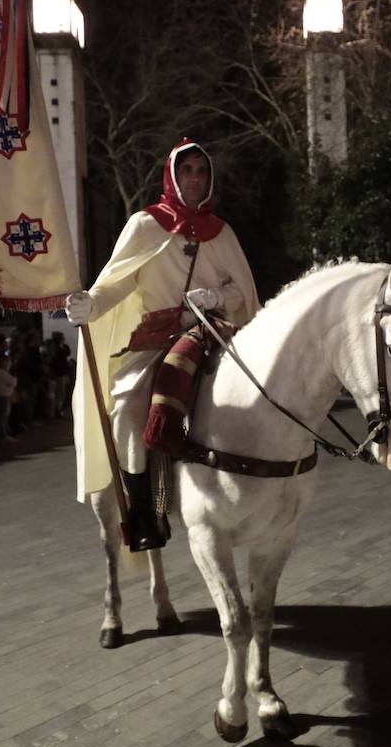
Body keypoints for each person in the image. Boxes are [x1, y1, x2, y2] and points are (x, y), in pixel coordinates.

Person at [67, 139, 259, 552]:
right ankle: (141, 511)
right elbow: (117, 282)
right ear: (173, 176)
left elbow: (243, 289)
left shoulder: (222, 233)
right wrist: (91, 303)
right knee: (129, 402)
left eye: (201, 171)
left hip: (214, 330)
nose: (194, 178)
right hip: (158, 338)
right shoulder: (144, 225)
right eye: (187, 170)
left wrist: (216, 298)